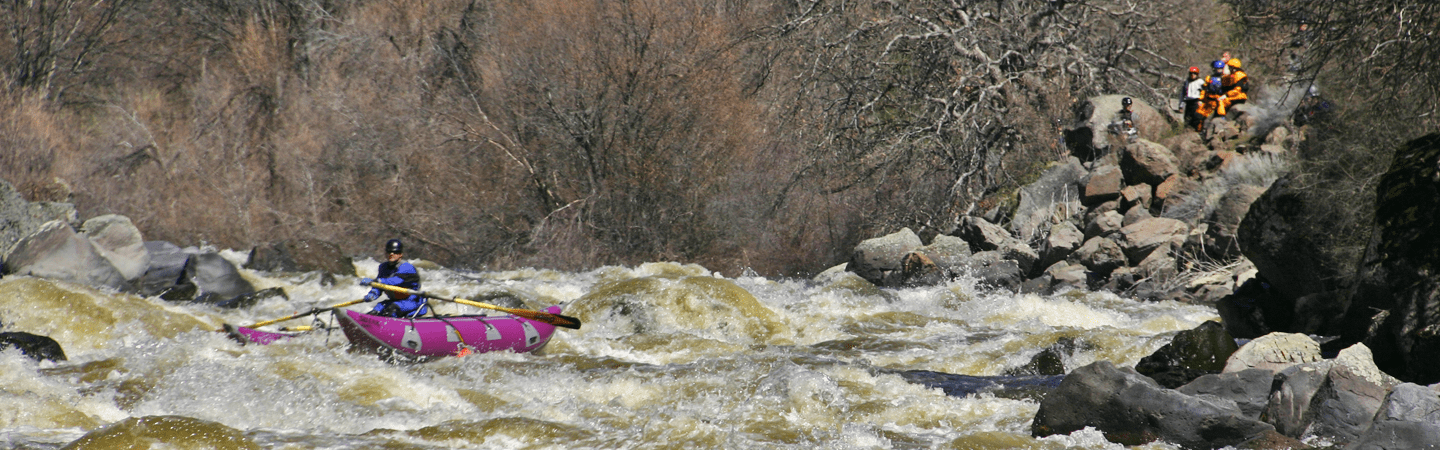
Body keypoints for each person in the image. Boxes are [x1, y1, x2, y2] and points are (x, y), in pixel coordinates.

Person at [358, 239, 429, 318]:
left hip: (411, 302)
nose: (391, 254)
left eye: (395, 252)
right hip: (394, 301)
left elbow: (395, 281)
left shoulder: (407, 267)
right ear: (385, 253)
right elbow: (379, 287)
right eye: (389, 251)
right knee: (376, 310)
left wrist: (376, 281)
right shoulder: (383, 267)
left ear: (401, 254)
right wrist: (373, 294)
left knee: (392, 309)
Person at [1180, 66, 1205, 131]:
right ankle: (1186, 132)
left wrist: (1201, 100)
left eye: (1194, 73)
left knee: (1196, 117)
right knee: (1187, 118)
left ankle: (1196, 131)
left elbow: (1204, 92)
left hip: (1196, 102)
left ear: (1197, 74)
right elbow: (1182, 94)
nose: (1193, 75)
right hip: (1188, 102)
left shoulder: (1200, 82)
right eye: (1191, 73)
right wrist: (1181, 105)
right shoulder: (1186, 82)